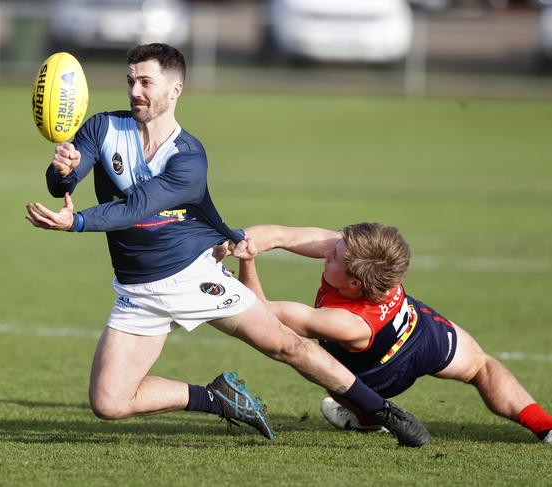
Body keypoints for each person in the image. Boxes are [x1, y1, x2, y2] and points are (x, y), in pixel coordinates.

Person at [24, 43, 429, 446]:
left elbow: (136, 208)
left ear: (175, 89)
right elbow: (62, 182)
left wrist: (76, 222)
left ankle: (383, 412)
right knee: (109, 402)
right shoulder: (103, 127)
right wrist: (64, 171)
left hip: (191, 275)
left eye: (146, 82)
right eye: (130, 81)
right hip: (137, 288)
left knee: (286, 346)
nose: (135, 91)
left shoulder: (189, 158)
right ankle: (217, 398)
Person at [236, 222, 552, 444]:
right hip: (420, 330)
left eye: (334, 256)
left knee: (311, 356)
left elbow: (257, 313)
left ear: (354, 284)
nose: (328, 251)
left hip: (383, 373)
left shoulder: (344, 321)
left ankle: (365, 416)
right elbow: (279, 235)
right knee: (481, 366)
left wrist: (247, 261)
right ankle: (547, 428)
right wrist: (234, 239)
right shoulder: (373, 264)